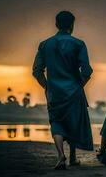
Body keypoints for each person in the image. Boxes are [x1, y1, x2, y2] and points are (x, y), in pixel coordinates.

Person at [32, 10, 93, 169]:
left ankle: (61, 155)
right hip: (73, 91)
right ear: (72, 25)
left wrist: (47, 86)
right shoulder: (79, 44)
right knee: (72, 122)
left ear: (56, 24)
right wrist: (79, 85)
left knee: (57, 123)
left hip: (54, 93)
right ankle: (72, 157)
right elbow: (86, 71)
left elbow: (37, 71)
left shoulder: (45, 44)